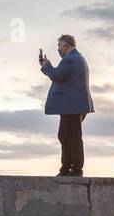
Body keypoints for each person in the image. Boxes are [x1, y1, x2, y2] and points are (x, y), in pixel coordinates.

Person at [38, 34, 94, 177]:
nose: (58, 49)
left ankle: (75, 171)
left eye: (59, 46)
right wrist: (46, 66)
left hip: (72, 107)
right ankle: (66, 169)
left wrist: (47, 65)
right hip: (72, 106)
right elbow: (58, 74)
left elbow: (56, 75)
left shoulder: (71, 60)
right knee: (64, 135)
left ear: (66, 46)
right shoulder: (76, 59)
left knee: (73, 137)